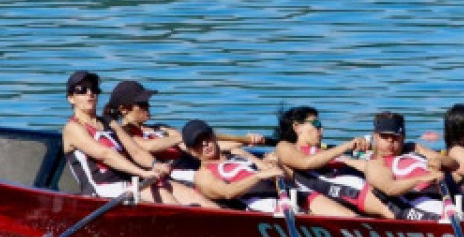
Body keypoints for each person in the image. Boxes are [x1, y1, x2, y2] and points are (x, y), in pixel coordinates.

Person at [60, 70, 190, 204]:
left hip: (128, 183)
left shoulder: (109, 122)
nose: (89, 93)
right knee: (164, 196)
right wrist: (142, 173)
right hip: (101, 191)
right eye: (82, 90)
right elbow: (106, 155)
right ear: (71, 98)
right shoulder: (73, 128)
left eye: (94, 89)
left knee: (185, 192)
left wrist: (155, 164)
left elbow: (135, 151)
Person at [103, 79, 266, 184]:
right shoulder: (125, 134)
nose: (148, 106)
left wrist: (243, 141)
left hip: (195, 161)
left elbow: (202, 145)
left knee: (238, 152)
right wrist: (185, 136)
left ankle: (269, 173)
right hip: (175, 173)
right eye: (142, 103)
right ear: (124, 109)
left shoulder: (160, 128)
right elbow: (147, 147)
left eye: (147, 102)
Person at [181, 119, 354, 216]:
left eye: (206, 138)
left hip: (288, 191)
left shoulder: (237, 153)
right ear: (191, 151)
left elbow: (272, 171)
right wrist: (259, 176)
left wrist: (273, 164)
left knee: (349, 218)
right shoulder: (203, 175)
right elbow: (228, 192)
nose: (205, 145)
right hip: (264, 205)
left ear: (213, 136)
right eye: (197, 144)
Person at [363, 111, 464, 223]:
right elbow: (390, 188)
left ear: (403, 137)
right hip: (420, 203)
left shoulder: (415, 148)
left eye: (395, 137)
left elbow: (454, 164)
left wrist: (441, 162)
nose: (390, 141)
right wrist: (424, 178)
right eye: (384, 136)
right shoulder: (375, 164)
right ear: (375, 136)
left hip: (453, 195)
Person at [273, 105, 393, 219]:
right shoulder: (284, 146)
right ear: (297, 127)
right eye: (316, 124)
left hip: (366, 184)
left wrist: (376, 153)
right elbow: (305, 163)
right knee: (394, 211)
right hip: (351, 192)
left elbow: (355, 164)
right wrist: (347, 146)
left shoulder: (325, 152)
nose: (322, 129)